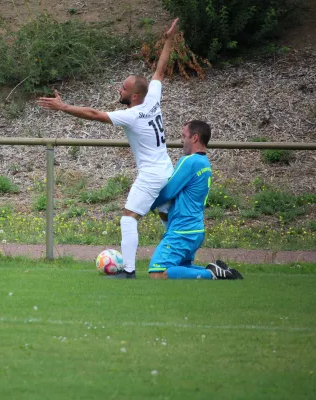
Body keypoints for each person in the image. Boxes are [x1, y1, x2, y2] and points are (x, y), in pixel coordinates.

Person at [37, 19, 180, 279]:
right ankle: (178, 261)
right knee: (166, 216)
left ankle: (129, 270)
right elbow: (159, 72)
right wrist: (169, 40)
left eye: (124, 88)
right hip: (167, 171)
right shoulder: (152, 99)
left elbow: (94, 114)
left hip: (151, 175)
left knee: (128, 217)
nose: (119, 89)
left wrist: (63, 107)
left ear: (134, 96)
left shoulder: (132, 115)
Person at [148, 120, 243, 280]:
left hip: (182, 230)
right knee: (183, 269)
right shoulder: (204, 163)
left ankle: (211, 274)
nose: (181, 140)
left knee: (157, 272)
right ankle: (219, 270)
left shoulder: (189, 161)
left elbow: (168, 192)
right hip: (195, 229)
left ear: (195, 138)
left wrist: (144, 205)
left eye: (184, 136)